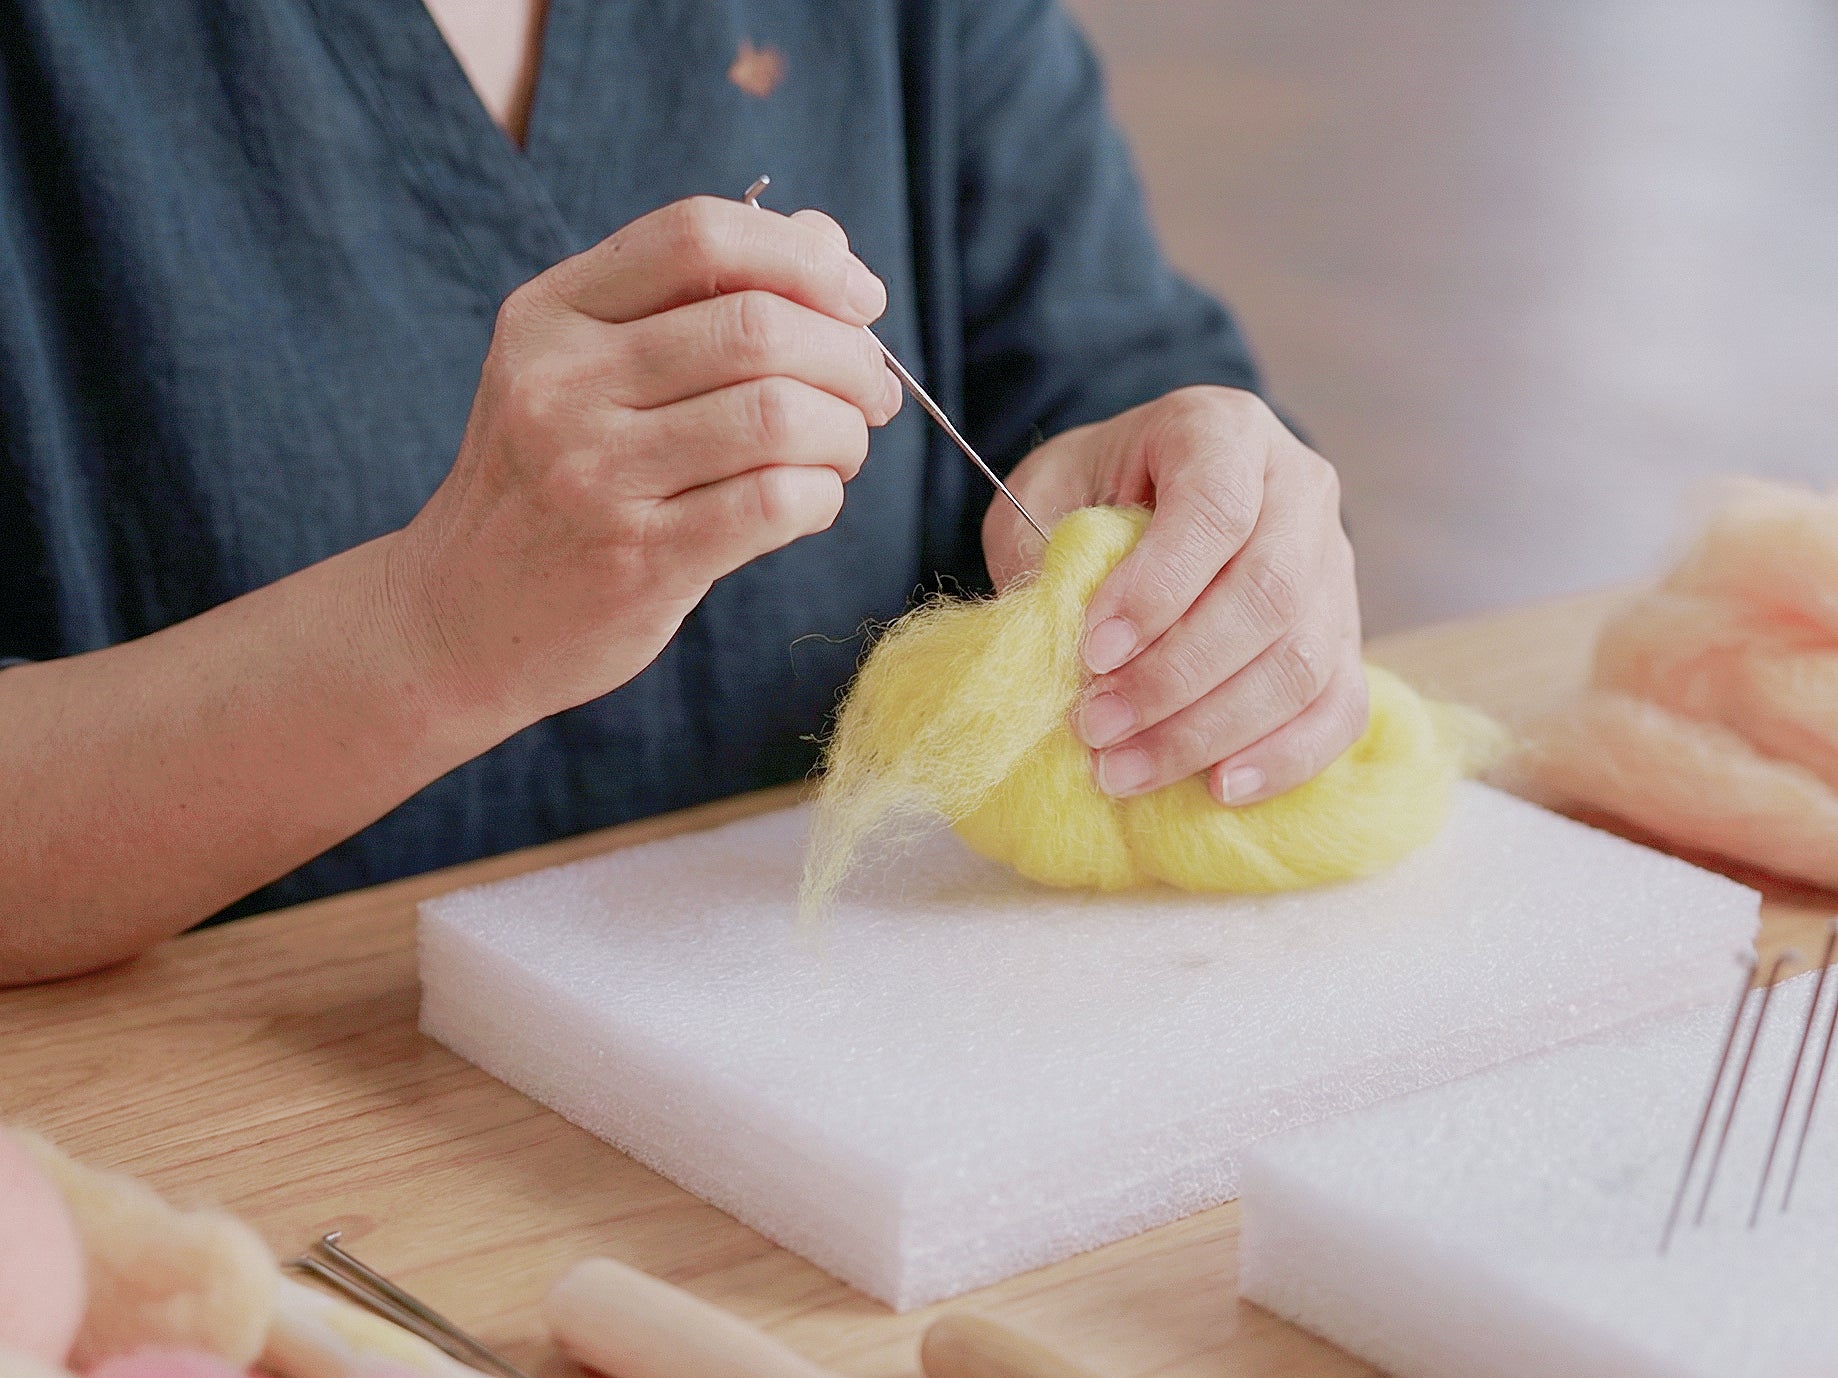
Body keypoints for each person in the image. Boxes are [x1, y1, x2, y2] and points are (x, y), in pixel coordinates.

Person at [0, 0, 1363, 986]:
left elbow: (1098, 359)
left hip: (858, 1093)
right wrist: (432, 630)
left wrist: (1197, 515)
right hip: (202, 1196)